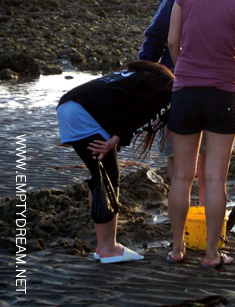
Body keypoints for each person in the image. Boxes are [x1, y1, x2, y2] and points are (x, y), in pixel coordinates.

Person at [166, 0, 235, 266]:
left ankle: (177, 248)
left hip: (186, 91)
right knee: (216, 178)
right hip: (223, 93)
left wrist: (184, 70)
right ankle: (210, 253)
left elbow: (171, 42)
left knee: (182, 176)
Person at [56, 61, 174, 263]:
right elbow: (138, 111)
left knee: (101, 176)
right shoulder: (166, 87)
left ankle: (103, 246)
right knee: (109, 179)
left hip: (69, 104)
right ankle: (109, 247)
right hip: (84, 114)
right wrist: (116, 139)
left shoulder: (141, 74)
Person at [138, 0, 224, 204]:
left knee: (207, 158)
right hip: (177, 85)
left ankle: (202, 213)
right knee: (179, 157)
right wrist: (143, 79)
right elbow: (156, 38)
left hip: (213, 88)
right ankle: (184, 217)